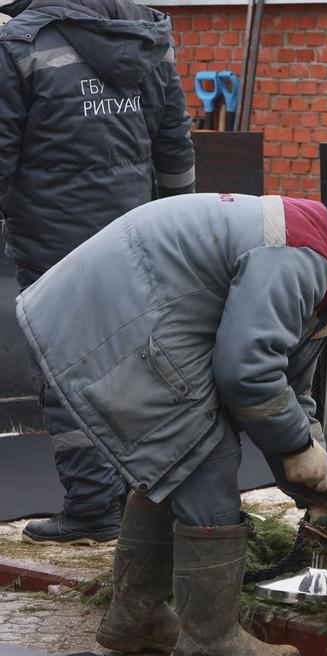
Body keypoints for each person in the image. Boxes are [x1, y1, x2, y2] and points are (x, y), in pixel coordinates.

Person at [17, 193, 327, 656]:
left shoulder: (320, 262)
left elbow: (288, 389)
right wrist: (296, 450)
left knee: (177, 456)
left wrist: (315, 486)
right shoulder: (302, 258)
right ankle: (210, 642)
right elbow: (246, 374)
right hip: (122, 311)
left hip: (128, 301)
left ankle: (135, 616)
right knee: (205, 453)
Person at [0, 0, 196, 545]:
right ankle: (148, 497)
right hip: (136, 231)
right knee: (138, 358)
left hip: (53, 232)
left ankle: (92, 508)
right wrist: (182, 225)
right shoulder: (144, 31)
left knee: (66, 360)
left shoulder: (20, 42)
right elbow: (173, 141)